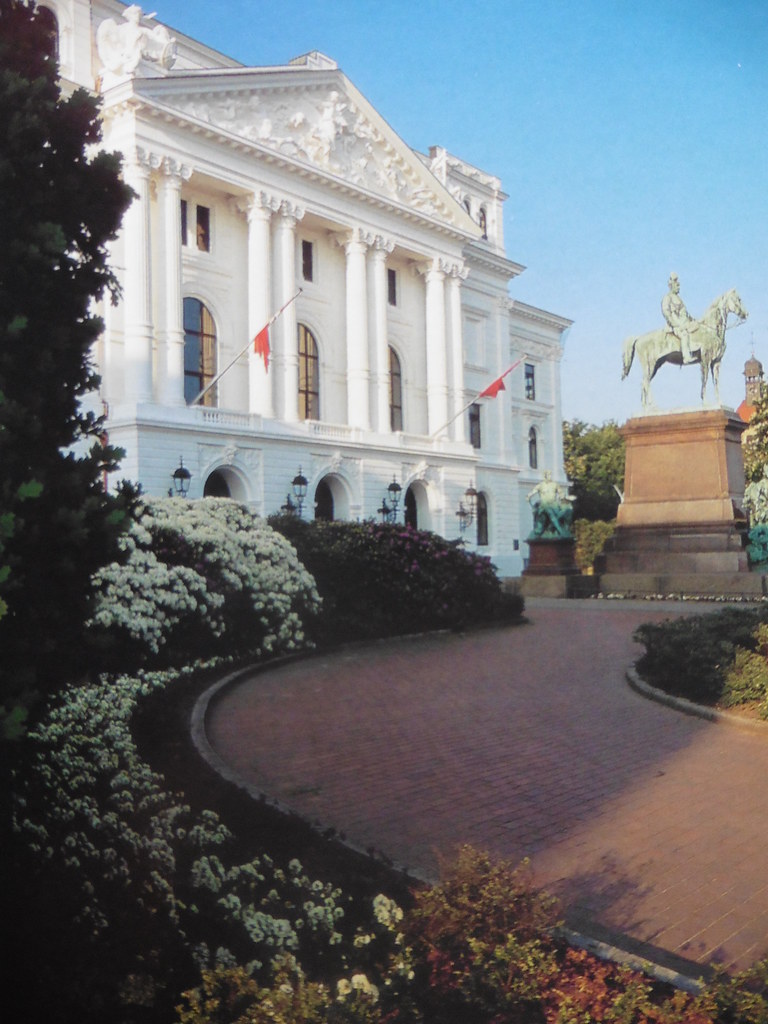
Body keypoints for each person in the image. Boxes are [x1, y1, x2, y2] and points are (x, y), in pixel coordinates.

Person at [527, 471, 574, 538]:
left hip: (553, 504)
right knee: (549, 511)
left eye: (550, 475)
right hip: (544, 505)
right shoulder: (540, 485)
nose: (549, 477)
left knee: (566, 510)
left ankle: (556, 528)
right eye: (548, 475)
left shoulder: (555, 484)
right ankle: (560, 530)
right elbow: (533, 492)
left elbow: (561, 494)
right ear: (545, 476)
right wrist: (528, 496)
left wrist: (567, 498)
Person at [662, 272, 695, 365]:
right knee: (684, 335)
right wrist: (674, 324)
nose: (678, 288)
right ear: (672, 286)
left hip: (684, 322)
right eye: (677, 286)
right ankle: (686, 357)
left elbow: (685, 313)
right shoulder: (667, 297)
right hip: (675, 324)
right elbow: (666, 312)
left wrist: (692, 319)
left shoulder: (678, 298)